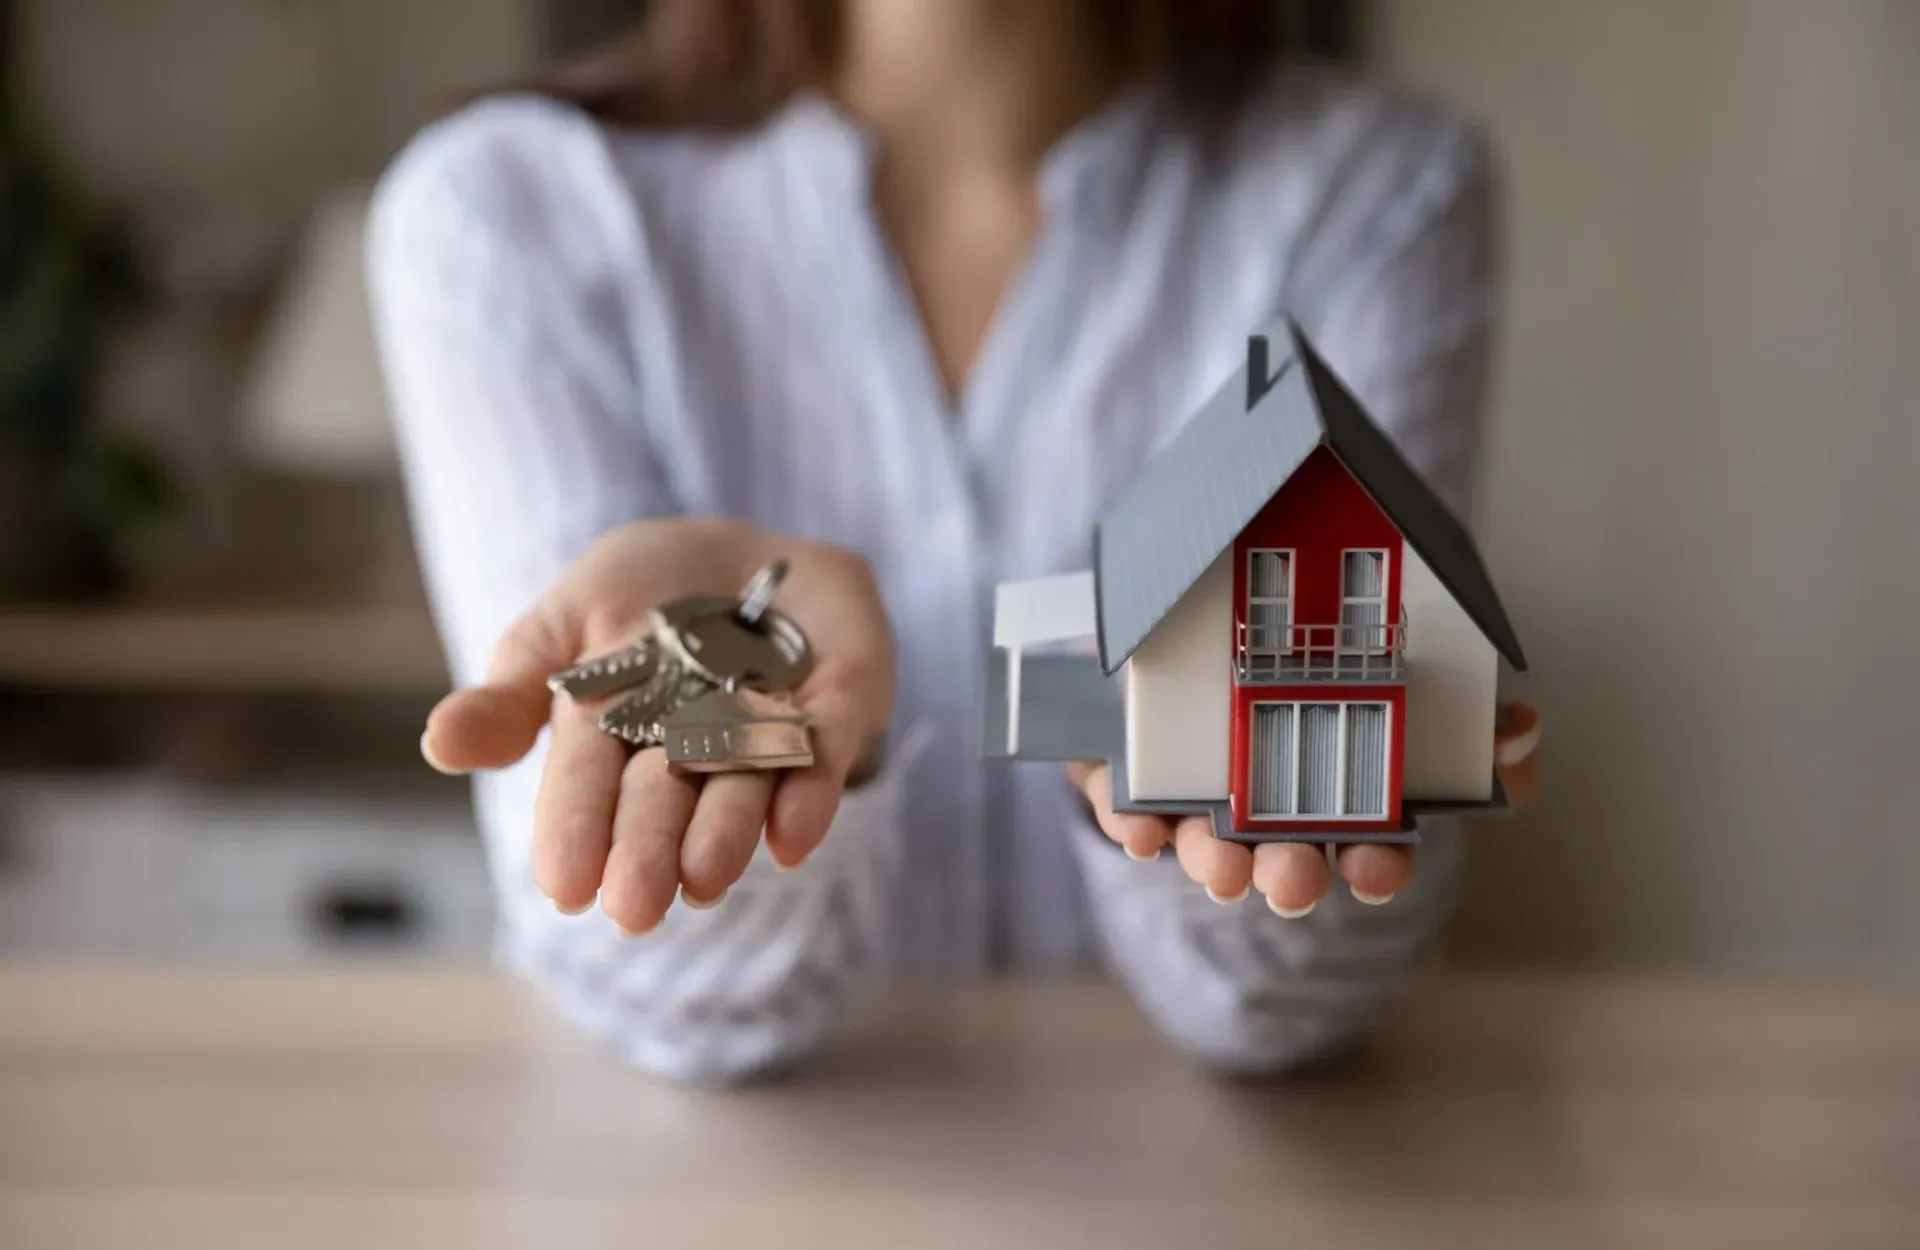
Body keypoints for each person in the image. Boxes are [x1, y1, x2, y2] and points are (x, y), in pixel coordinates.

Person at [367, 0, 1542, 1085]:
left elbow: (1310, 986)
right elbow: (639, 962)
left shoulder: (1381, 189)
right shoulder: (502, 210)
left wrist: (1215, 801)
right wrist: (801, 763)